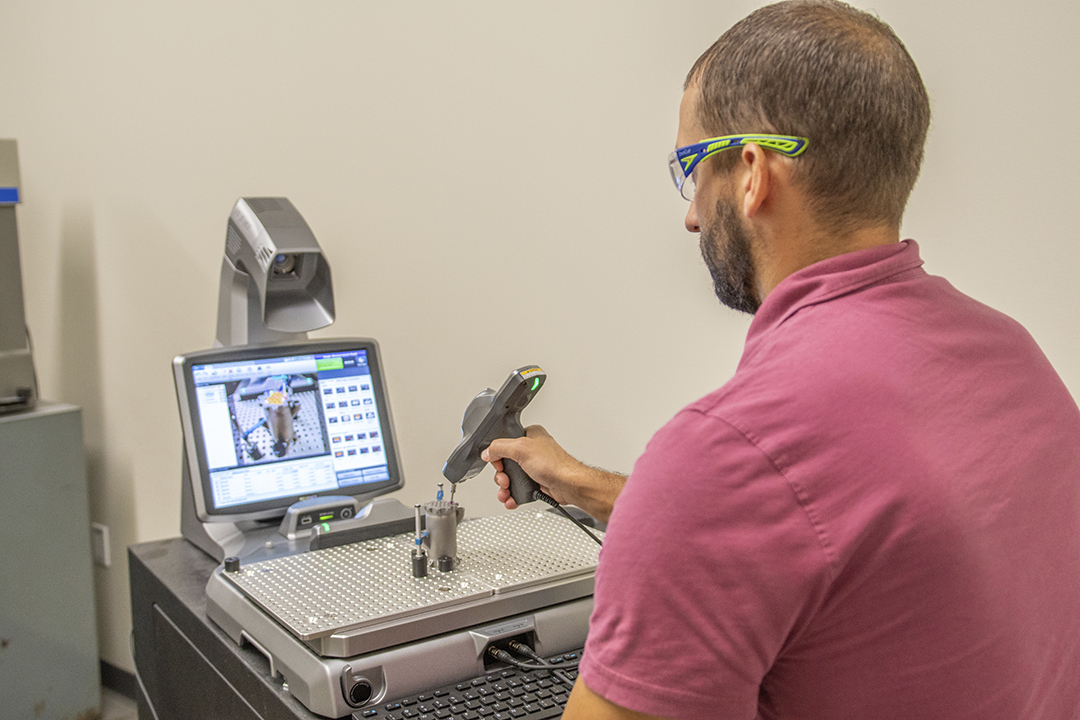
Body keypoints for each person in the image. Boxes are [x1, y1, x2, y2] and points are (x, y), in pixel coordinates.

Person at [481, 2, 1080, 719]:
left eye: (690, 168)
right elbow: (826, 533)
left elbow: (750, 500)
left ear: (752, 173)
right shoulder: (1013, 358)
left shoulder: (727, 450)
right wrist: (585, 485)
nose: (691, 215)